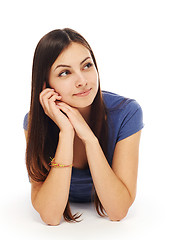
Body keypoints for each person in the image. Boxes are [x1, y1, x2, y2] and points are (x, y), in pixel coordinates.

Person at [23, 28, 144, 225]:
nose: (82, 81)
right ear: (46, 86)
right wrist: (66, 133)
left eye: (87, 66)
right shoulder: (34, 123)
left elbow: (118, 210)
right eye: (64, 72)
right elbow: (51, 216)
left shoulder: (126, 113)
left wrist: (88, 138)